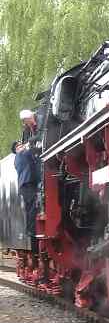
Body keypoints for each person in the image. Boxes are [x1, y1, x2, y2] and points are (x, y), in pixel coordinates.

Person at [12, 109, 40, 256]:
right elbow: (31, 153)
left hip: (28, 185)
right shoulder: (20, 156)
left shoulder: (23, 154)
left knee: (33, 209)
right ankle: (32, 233)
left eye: (20, 145)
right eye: (18, 146)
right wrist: (32, 142)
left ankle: (32, 232)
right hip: (27, 186)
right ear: (15, 150)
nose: (20, 146)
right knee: (32, 210)